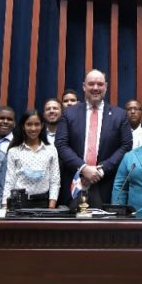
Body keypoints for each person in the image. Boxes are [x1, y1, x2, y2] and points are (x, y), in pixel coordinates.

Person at [55, 69, 133, 205]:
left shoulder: (119, 115)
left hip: (106, 183)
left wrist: (101, 170)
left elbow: (126, 145)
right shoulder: (68, 113)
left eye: (100, 84)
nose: (95, 88)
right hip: (75, 182)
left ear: (106, 87)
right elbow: (61, 144)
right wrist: (83, 168)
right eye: (91, 84)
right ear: (84, 86)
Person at [2, 110, 60, 209]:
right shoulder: (14, 151)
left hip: (43, 203)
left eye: (37, 124)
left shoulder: (51, 149)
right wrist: (4, 206)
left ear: (42, 126)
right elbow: (9, 181)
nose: (33, 128)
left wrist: (51, 207)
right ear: (23, 126)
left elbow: (55, 180)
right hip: (19, 203)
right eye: (29, 124)